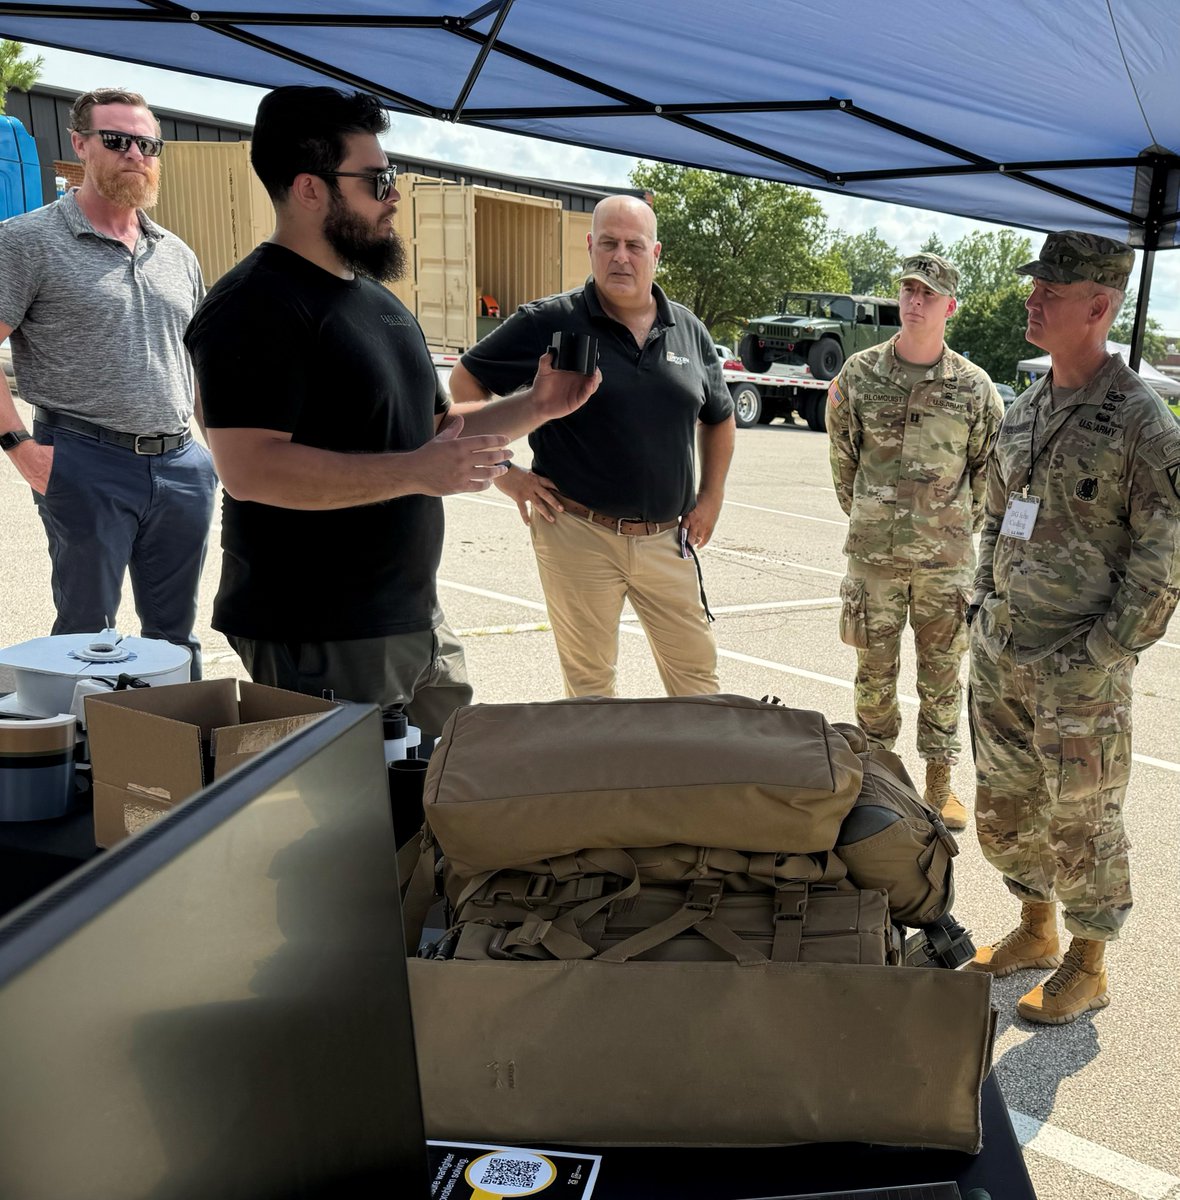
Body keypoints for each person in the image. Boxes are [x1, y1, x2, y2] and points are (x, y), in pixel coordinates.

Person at [184, 86, 597, 740]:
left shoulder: (377, 302)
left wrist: (540, 404)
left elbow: (435, 435)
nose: (395, 194)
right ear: (310, 188)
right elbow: (250, 469)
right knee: (352, 803)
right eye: (377, 180)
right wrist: (415, 472)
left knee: (451, 782)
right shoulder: (254, 306)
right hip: (319, 631)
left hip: (413, 619)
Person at [965, 231, 1180, 1023]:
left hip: (1078, 665)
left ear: (1099, 306)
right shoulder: (1024, 410)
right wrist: (981, 603)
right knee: (1007, 808)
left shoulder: (1143, 424)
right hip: (1003, 651)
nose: (1033, 301)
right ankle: (1035, 929)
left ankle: (1088, 966)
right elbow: (996, 517)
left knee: (1084, 821)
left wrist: (1102, 652)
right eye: (1036, 287)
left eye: (1050, 293)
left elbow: (1163, 562)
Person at [448, 195, 735, 697]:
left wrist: (711, 498)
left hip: (667, 539)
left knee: (700, 686)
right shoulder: (549, 321)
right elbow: (465, 381)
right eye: (608, 243)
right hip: (577, 532)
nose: (621, 256)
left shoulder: (688, 330)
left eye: (634, 245)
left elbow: (720, 418)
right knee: (590, 692)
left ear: (655, 253)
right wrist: (506, 475)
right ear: (590, 247)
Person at [0, 88, 214, 676]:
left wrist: (215, 455)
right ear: (80, 144)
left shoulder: (176, 254)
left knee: (175, 638)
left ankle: (177, 734)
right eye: (116, 140)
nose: (134, 154)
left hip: (181, 466)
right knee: (86, 638)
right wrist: (20, 448)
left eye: (147, 144)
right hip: (83, 459)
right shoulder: (27, 241)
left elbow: (194, 361)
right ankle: (85, 738)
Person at [827, 253, 1003, 829]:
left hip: (944, 565)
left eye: (928, 293)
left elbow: (986, 473)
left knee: (943, 676)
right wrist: (873, 518)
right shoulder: (859, 374)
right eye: (908, 289)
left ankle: (940, 786)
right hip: (873, 560)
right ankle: (876, 780)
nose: (915, 300)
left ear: (950, 306)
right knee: (873, 676)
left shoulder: (974, 388)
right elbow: (844, 459)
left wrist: (947, 529)